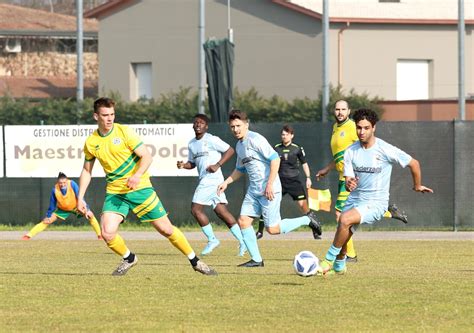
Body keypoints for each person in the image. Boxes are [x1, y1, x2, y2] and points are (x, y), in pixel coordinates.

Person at [77, 97, 216, 276]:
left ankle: (195, 261)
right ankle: (129, 258)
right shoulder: (91, 142)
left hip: (140, 188)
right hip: (116, 193)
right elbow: (86, 171)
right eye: (105, 115)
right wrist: (80, 197)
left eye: (112, 114)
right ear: (96, 116)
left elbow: (147, 157)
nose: (109, 118)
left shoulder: (124, 132)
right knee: (107, 233)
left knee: (166, 229)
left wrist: (136, 175)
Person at [317, 108, 433, 276]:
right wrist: (349, 183)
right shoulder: (350, 151)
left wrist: (417, 186)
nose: (361, 132)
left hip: (376, 202)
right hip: (355, 198)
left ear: (374, 128)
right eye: (358, 127)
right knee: (344, 230)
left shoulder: (385, 149)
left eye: (366, 128)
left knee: (344, 220)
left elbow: (414, 163)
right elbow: (349, 178)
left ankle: (328, 261)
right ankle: (340, 263)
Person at [217, 109, 322, 267]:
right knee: (244, 221)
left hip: (269, 189)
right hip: (254, 191)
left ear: (246, 124)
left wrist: (269, 184)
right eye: (232, 126)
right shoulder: (239, 146)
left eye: (238, 125)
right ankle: (257, 260)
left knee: (272, 229)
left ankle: (307, 219)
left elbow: (275, 160)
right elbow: (240, 169)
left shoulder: (256, 139)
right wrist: (227, 182)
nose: (235, 129)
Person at [316, 99, 408, 261]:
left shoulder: (353, 127)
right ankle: (388, 213)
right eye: (337, 109)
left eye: (343, 109)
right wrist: (327, 169)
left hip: (354, 180)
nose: (340, 112)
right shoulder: (335, 128)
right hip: (342, 176)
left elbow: (363, 148)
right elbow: (342, 154)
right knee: (342, 218)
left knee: (341, 217)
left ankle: (347, 255)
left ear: (349, 111)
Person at [177, 114, 246, 256]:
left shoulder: (211, 139)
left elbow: (230, 150)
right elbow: (193, 163)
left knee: (195, 210)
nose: (198, 125)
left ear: (206, 127)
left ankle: (212, 240)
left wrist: (217, 164)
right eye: (196, 122)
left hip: (212, 179)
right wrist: (184, 165)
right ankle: (243, 241)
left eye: (201, 123)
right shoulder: (191, 143)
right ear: (193, 125)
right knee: (222, 212)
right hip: (208, 180)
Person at [256, 125, 319, 239]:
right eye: (282, 134)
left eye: (286, 134)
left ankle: (315, 229)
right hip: (278, 182)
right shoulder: (275, 147)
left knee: (304, 206)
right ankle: (260, 231)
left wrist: (308, 177)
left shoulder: (297, 148)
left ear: (292, 135)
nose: (284, 136)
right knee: (267, 204)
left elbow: (304, 164)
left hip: (294, 182)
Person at [22, 172, 102, 240]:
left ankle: (100, 235)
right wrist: (48, 216)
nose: (62, 184)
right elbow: (52, 204)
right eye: (60, 183)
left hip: (76, 207)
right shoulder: (55, 189)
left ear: (66, 181)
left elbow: (79, 196)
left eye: (64, 182)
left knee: (90, 215)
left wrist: (87, 209)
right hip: (62, 209)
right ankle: (28, 235)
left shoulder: (72, 184)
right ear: (58, 182)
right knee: (46, 221)